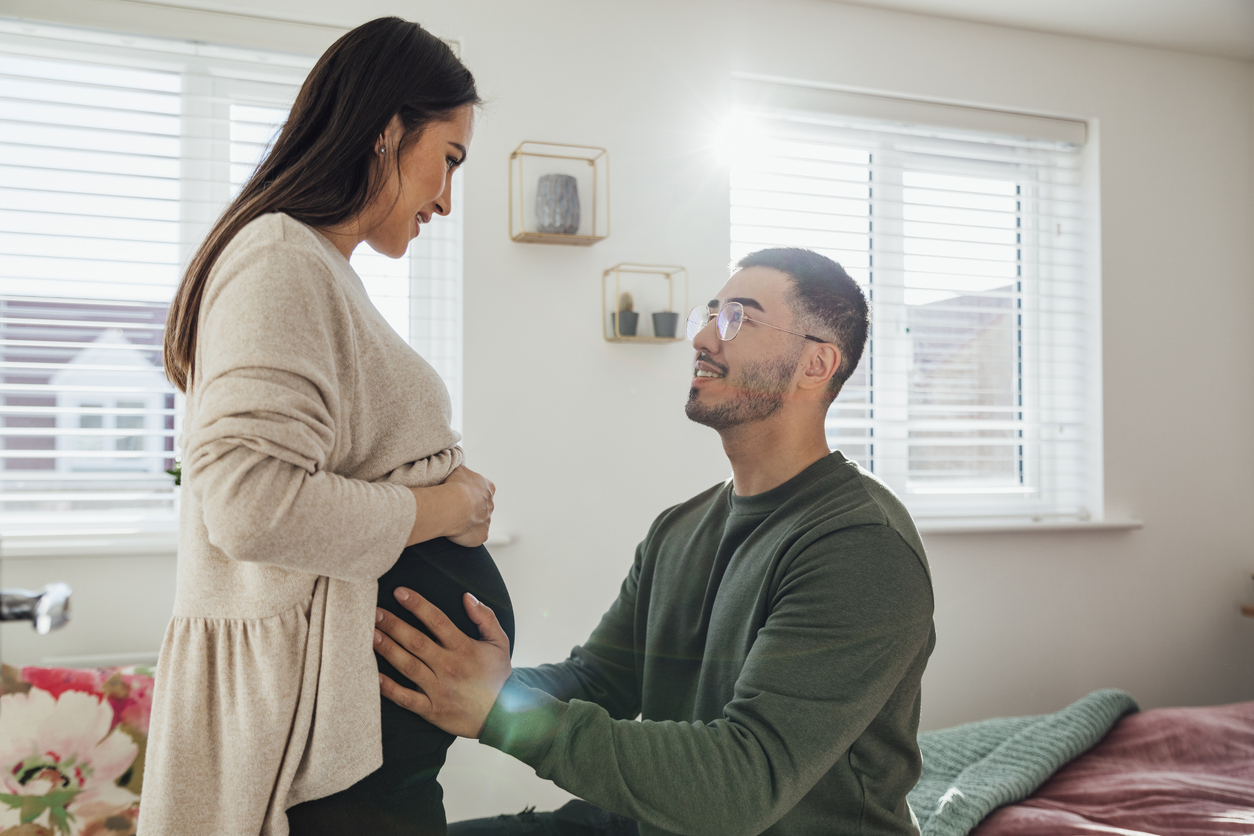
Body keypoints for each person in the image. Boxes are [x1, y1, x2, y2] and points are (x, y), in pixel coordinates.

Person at [373, 247, 937, 836]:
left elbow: (744, 783)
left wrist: (496, 711)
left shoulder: (860, 547)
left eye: (738, 319)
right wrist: (447, 675)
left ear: (816, 364)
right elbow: (600, 679)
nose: (703, 340)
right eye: (709, 315)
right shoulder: (680, 529)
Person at [141, 18, 512, 836]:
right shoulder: (279, 259)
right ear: (386, 130)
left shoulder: (315, 267)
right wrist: (444, 511)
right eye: (447, 161)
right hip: (330, 759)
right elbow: (251, 503)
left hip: (362, 748)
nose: (448, 201)